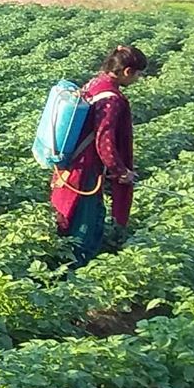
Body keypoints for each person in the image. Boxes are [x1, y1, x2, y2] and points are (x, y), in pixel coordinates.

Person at [51, 44, 145, 264]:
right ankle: (75, 274)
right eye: (138, 74)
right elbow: (105, 142)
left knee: (70, 216)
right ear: (127, 71)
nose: (137, 79)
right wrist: (121, 172)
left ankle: (65, 263)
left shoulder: (96, 82)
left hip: (73, 164)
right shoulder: (110, 99)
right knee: (85, 223)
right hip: (86, 170)